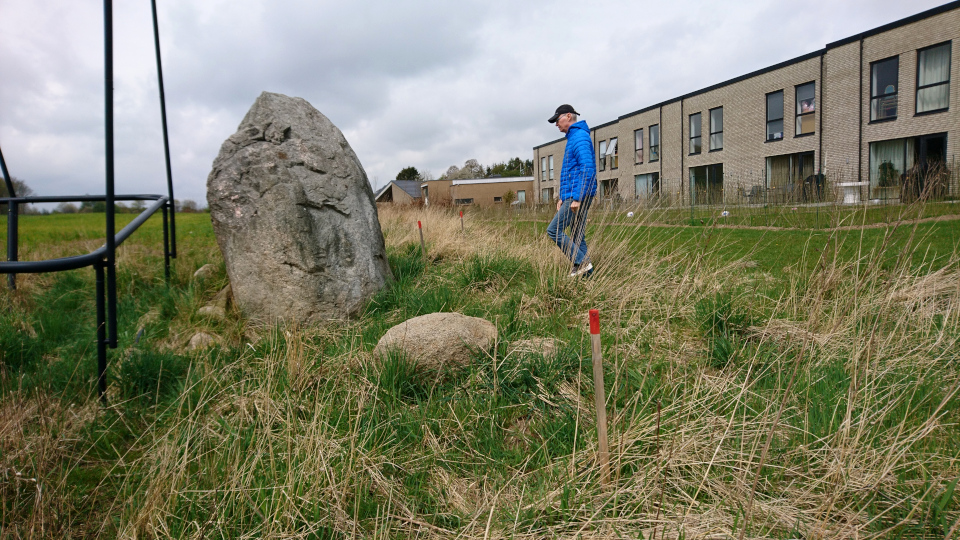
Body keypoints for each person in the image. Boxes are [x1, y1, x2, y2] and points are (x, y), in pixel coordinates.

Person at [546, 104, 597, 277]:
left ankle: (582, 263)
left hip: (579, 196)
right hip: (573, 195)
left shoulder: (580, 137)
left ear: (568, 116)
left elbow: (587, 168)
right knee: (576, 235)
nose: (556, 125)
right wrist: (562, 196)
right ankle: (587, 275)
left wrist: (577, 198)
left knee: (553, 230)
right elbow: (571, 172)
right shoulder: (573, 138)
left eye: (557, 120)